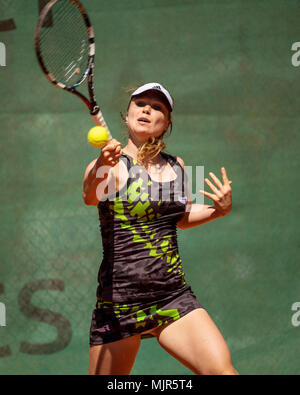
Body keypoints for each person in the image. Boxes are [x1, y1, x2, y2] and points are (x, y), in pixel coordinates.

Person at [82, 82, 238, 375]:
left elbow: (180, 217)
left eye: (157, 107)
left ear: (165, 124)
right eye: (140, 103)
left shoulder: (177, 165)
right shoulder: (107, 164)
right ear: (127, 116)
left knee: (223, 372)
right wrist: (103, 166)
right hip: (120, 304)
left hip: (171, 297)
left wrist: (219, 210)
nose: (147, 109)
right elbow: (90, 197)